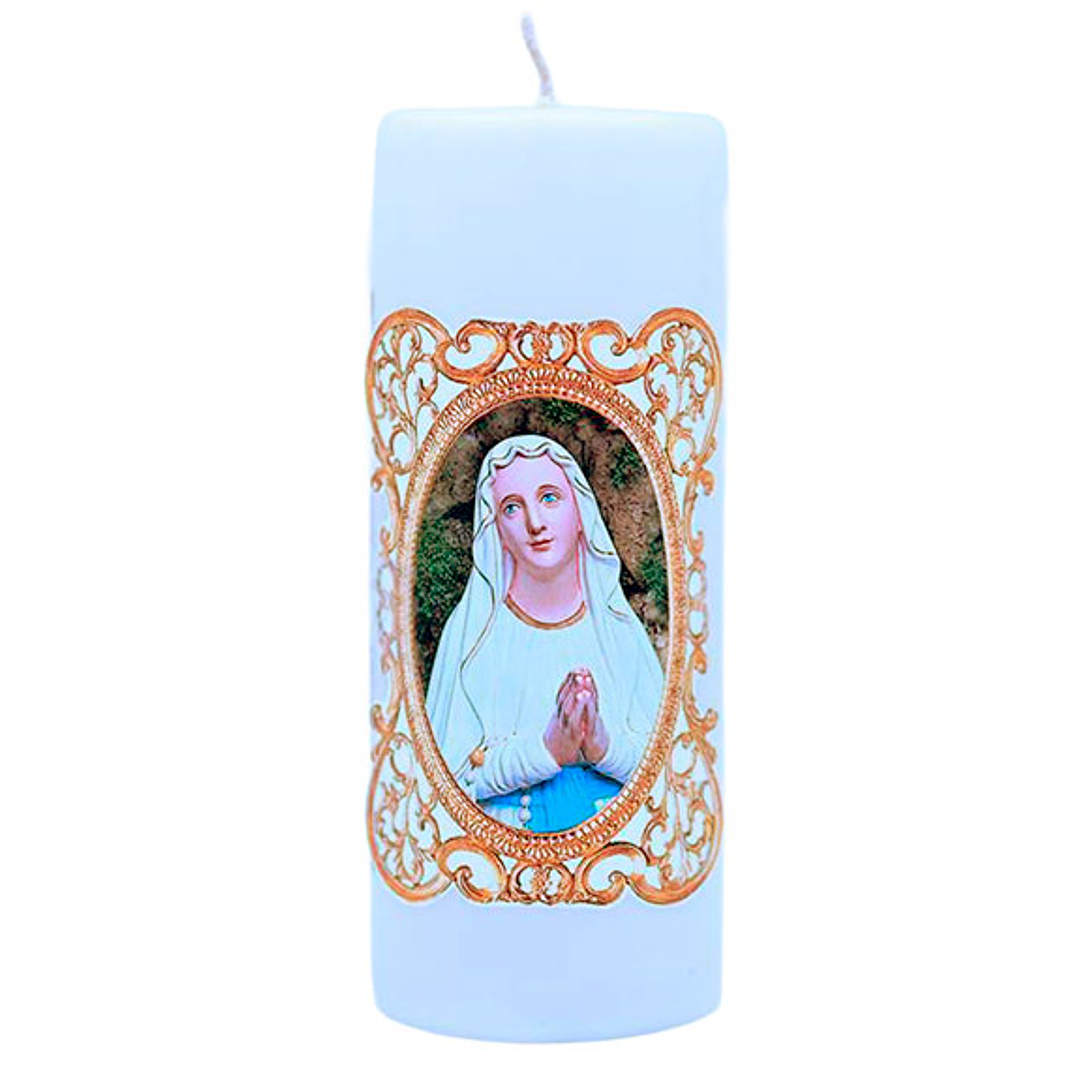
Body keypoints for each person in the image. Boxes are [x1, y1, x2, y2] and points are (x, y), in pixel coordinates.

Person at [425, 434, 664, 833]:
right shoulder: (473, 637)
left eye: (549, 497)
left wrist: (602, 745)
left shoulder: (619, 631)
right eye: (512, 508)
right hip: (505, 854)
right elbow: (441, 786)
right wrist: (545, 751)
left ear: (580, 510)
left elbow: (670, 776)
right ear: (497, 530)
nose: (535, 523)